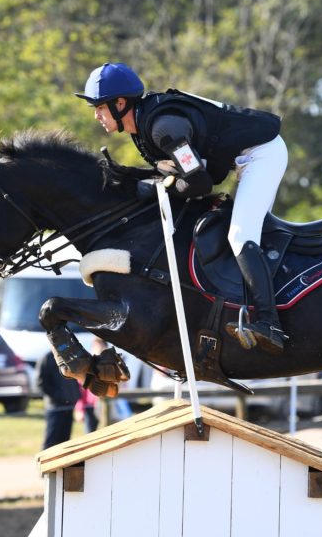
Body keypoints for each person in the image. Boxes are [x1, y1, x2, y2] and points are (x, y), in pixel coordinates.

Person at [75, 62, 289, 354]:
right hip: (242, 157)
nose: (96, 115)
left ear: (120, 103)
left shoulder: (163, 128)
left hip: (262, 154)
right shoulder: (141, 127)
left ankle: (270, 323)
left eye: (99, 107)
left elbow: (199, 183)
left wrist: (156, 188)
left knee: (240, 234)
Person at [35, 353, 82, 449]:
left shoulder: (69, 355)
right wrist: (59, 396)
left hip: (69, 407)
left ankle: (64, 464)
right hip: (55, 408)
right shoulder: (47, 358)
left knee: (65, 443)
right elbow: (41, 383)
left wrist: (75, 395)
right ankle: (45, 463)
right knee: (50, 442)